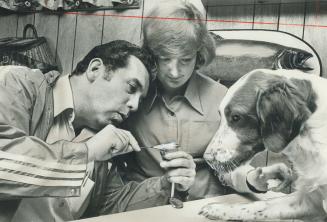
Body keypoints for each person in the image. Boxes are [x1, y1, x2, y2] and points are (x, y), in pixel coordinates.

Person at [93, 0, 293, 216]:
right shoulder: (132, 96)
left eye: (185, 60)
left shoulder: (222, 99)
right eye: (164, 58)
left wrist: (253, 178)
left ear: (199, 55)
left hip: (204, 211)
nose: (174, 71)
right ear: (151, 55)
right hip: (143, 211)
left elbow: (226, 167)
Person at [0, 40, 156, 221]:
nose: (135, 105)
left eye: (141, 100)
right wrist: (87, 152)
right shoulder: (17, 83)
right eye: (131, 88)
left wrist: (169, 186)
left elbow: (113, 204)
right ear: (95, 69)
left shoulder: (102, 137)